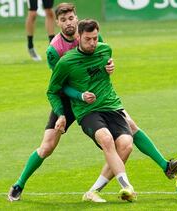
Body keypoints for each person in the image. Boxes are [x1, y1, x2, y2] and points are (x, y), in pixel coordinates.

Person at [8, 2, 177, 202]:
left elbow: (103, 59)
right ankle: (19, 184)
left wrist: (109, 66)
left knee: (131, 126)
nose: (68, 23)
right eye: (63, 20)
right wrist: (67, 108)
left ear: (76, 18)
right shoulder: (54, 51)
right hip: (68, 98)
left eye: (71, 18)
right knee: (47, 147)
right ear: (56, 22)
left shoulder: (90, 36)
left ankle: (166, 166)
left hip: (95, 98)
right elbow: (59, 85)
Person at [47, 19, 137, 202]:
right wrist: (62, 113)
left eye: (95, 38)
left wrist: (110, 67)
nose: (93, 43)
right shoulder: (66, 62)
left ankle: (92, 192)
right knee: (106, 139)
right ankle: (127, 186)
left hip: (110, 106)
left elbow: (106, 68)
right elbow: (52, 90)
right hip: (87, 111)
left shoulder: (105, 50)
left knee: (127, 145)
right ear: (78, 37)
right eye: (88, 39)